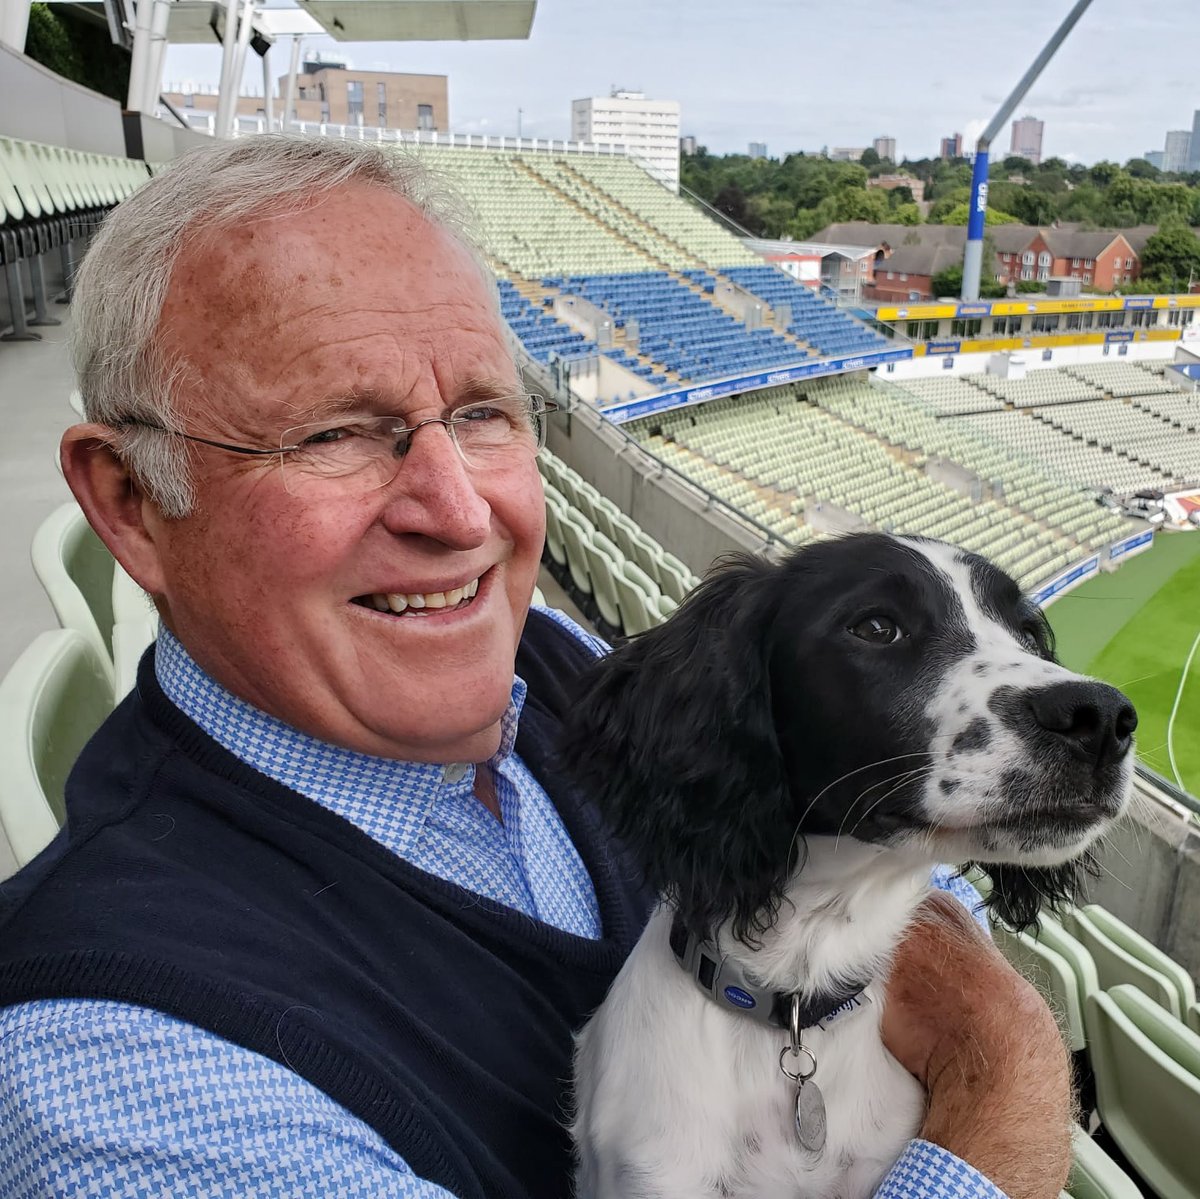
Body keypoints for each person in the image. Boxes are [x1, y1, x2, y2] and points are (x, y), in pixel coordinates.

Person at [0, 136, 1072, 1199]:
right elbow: (940, 988)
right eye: (334, 432)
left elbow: (875, 874)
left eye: (482, 413)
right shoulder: (116, 1055)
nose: (463, 513)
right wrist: (1008, 1070)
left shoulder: (555, 667)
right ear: (132, 502)